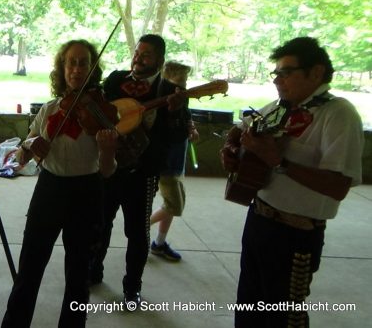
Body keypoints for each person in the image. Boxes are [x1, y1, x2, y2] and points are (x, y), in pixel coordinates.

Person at [220, 37, 363, 328]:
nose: (277, 80)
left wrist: (279, 162)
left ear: (315, 73)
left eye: (285, 73)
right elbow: (244, 128)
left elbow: (338, 186)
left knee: (283, 318)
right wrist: (234, 148)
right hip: (259, 220)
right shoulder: (279, 107)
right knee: (249, 309)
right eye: (276, 73)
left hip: (295, 235)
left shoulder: (338, 114)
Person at [1, 39, 118, 327]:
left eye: (83, 63)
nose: (76, 69)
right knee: (29, 267)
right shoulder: (49, 109)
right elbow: (21, 158)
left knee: (78, 276)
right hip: (49, 190)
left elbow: (107, 171)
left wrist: (106, 149)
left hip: (87, 192)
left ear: (92, 70)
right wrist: (29, 143)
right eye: (71, 63)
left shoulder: (102, 114)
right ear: (62, 69)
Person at [89, 34, 189, 306]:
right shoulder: (115, 79)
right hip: (108, 167)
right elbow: (99, 110)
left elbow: (179, 135)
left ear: (159, 59)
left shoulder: (170, 90)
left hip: (143, 173)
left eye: (146, 55)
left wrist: (176, 112)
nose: (138, 58)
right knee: (100, 224)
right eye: (137, 52)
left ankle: (131, 287)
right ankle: (93, 271)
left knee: (137, 232)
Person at [149, 61, 199, 261]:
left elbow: (185, 118)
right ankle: (141, 228)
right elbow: (168, 127)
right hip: (167, 164)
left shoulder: (181, 98)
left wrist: (191, 128)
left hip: (176, 162)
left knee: (173, 204)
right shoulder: (165, 98)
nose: (185, 81)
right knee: (174, 206)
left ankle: (159, 243)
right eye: (183, 77)